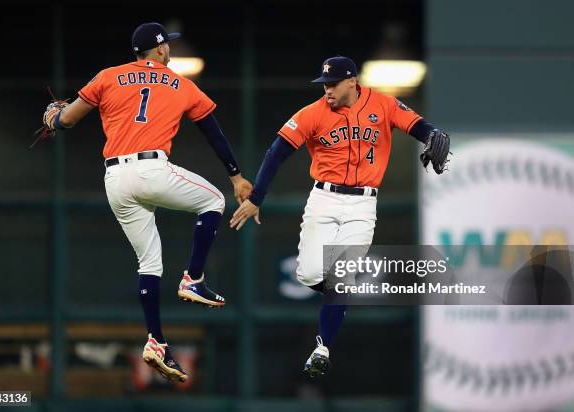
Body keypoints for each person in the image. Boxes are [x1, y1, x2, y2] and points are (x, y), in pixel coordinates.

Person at [41, 22, 253, 383]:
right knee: (214, 200)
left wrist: (54, 117)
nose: (168, 50)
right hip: (151, 168)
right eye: (166, 46)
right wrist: (235, 175)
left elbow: (69, 119)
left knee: (149, 260)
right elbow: (212, 130)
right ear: (159, 50)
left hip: (115, 180)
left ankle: (156, 340)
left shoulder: (108, 76)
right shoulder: (181, 83)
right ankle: (193, 279)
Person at [230, 56, 450, 377]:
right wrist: (256, 198)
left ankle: (322, 348)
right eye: (324, 84)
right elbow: (276, 152)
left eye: (333, 84)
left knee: (340, 274)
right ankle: (341, 294)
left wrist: (432, 136)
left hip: (363, 204)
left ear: (352, 82)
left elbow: (419, 126)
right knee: (307, 274)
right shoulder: (313, 113)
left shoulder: (383, 104)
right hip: (324, 198)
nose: (328, 90)